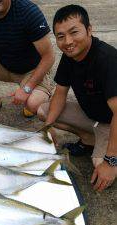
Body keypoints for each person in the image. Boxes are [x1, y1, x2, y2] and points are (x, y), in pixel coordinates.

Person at [37, 5, 117, 192]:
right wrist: (47, 129)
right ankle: (89, 138)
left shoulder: (108, 60)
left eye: (74, 32)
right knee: (44, 111)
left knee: (100, 167)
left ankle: (108, 150)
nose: (68, 41)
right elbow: (60, 93)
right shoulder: (69, 57)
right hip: (93, 117)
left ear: (89, 30)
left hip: (112, 122)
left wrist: (110, 161)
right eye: (61, 36)